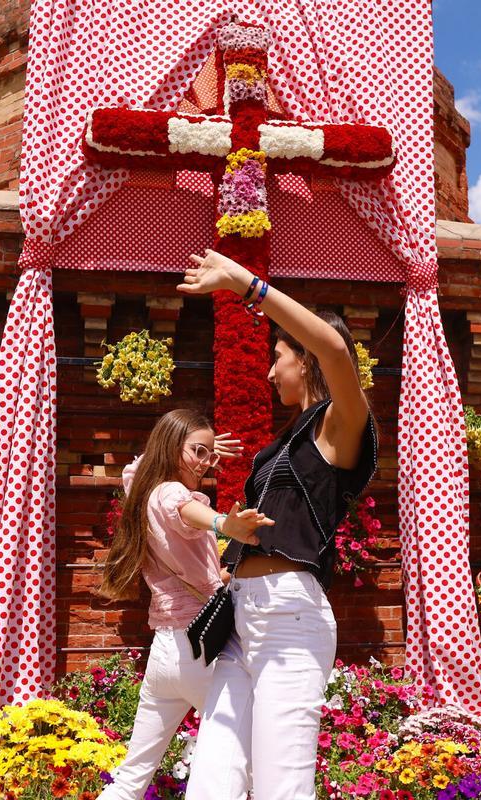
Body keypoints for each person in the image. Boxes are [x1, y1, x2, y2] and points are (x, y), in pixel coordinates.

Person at [178, 250, 377, 800]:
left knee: (280, 789)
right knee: (211, 782)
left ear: (306, 360)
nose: (269, 371)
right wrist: (232, 535)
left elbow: (335, 349)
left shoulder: (341, 425)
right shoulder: (289, 438)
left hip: (290, 619)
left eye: (278, 356)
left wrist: (246, 284)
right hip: (242, 615)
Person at [96, 410, 272, 800]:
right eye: (198, 452)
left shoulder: (142, 488)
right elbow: (184, 509)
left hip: (166, 652)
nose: (206, 463)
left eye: (210, 454)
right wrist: (224, 524)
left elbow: (134, 468)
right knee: (250, 759)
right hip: (200, 649)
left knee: (130, 778)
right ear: (172, 449)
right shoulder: (170, 492)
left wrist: (196, 446)